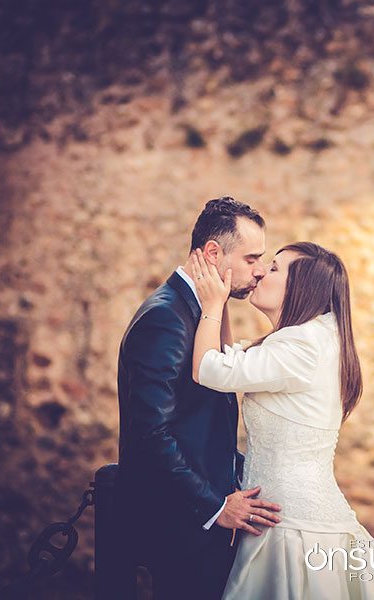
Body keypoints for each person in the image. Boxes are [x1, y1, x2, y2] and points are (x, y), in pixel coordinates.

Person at [189, 241, 374, 599]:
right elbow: (229, 361)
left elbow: (209, 368)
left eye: (273, 269)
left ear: (301, 288)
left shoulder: (300, 344)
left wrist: (210, 304)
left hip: (290, 527)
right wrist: (221, 304)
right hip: (296, 513)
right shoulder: (313, 338)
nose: (259, 273)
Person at [115, 197, 283, 599]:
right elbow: (150, 433)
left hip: (202, 527)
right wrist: (214, 507)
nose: (260, 270)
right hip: (182, 527)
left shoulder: (197, 311)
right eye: (251, 258)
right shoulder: (166, 318)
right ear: (212, 253)